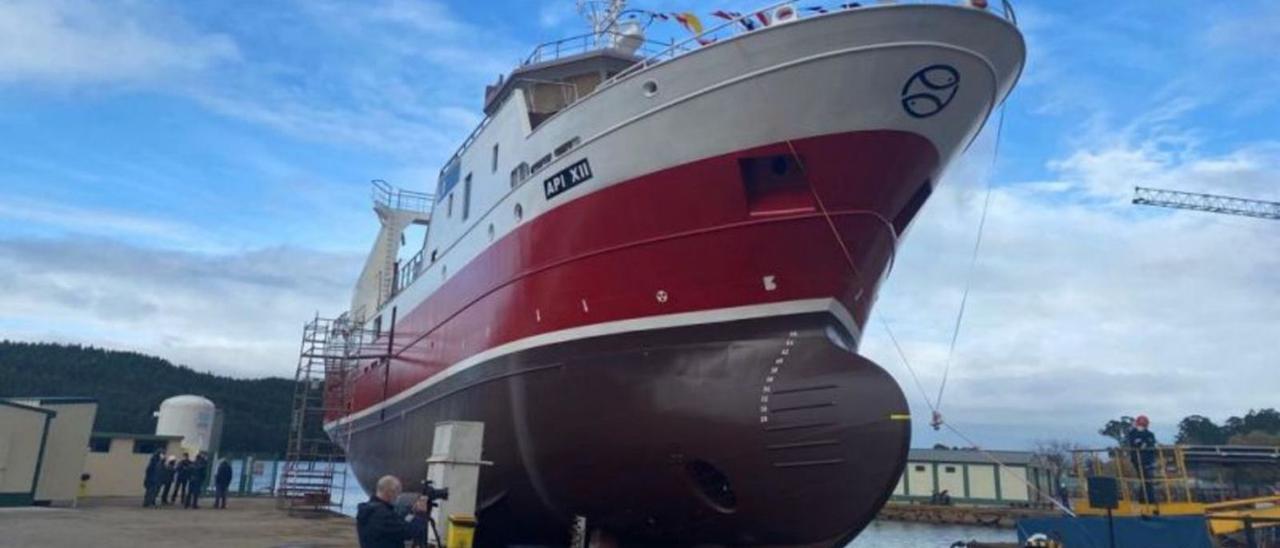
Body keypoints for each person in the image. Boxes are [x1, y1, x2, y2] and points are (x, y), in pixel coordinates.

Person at [356, 475, 429, 548]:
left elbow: (399, 525)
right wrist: (421, 514)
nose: (398, 497)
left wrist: (412, 514)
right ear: (390, 492)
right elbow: (410, 532)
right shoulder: (383, 515)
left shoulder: (368, 510)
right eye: (398, 493)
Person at [1126, 414, 1158, 504]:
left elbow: (1150, 445)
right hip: (1138, 460)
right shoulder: (1133, 433)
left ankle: (1146, 499)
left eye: (1143, 424)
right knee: (1146, 479)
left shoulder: (1150, 434)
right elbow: (1137, 444)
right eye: (1140, 424)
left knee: (1148, 480)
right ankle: (1147, 499)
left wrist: (1143, 444)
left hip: (1149, 460)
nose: (1141, 426)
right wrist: (1143, 444)